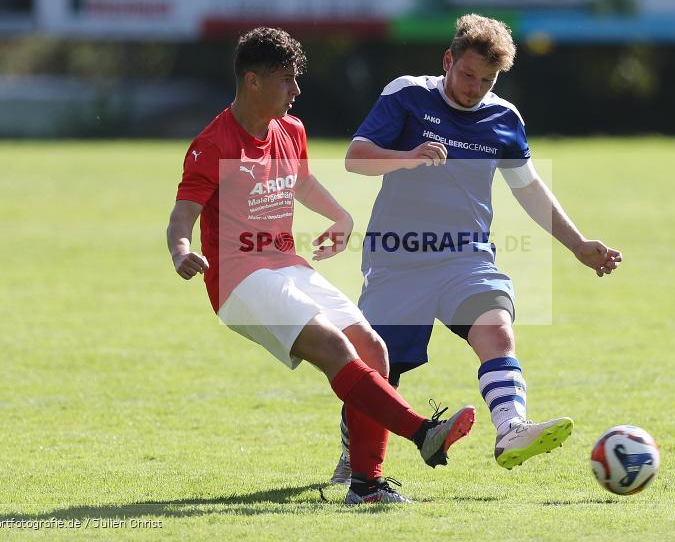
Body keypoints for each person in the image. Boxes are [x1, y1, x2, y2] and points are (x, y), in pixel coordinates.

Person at [165, 27, 476, 505]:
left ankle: (366, 486)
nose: (296, 91)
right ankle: (423, 433)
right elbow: (181, 215)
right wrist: (183, 251)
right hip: (237, 276)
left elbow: (302, 182)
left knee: (372, 347)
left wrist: (341, 215)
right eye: (287, 80)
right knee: (333, 346)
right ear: (252, 81)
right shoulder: (213, 143)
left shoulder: (291, 130)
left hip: (287, 264)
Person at [330, 14, 622, 487]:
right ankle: (353, 457)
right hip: (399, 258)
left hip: (466, 258)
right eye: (467, 75)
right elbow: (356, 156)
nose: (475, 88)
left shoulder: (504, 119)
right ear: (448, 60)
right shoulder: (408, 94)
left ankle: (511, 429)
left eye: (487, 80)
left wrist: (578, 244)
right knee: (383, 368)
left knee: (496, 330)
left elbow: (529, 190)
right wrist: (407, 157)